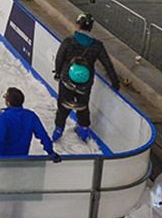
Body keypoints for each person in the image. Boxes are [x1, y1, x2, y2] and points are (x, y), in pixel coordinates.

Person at [52, 14, 121, 142]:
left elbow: (59, 58)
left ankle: (58, 129)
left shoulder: (69, 41)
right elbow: (107, 64)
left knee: (63, 105)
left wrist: (58, 72)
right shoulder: (97, 45)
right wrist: (115, 82)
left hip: (67, 79)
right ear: (91, 28)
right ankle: (83, 130)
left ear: (78, 25)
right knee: (83, 105)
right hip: (85, 82)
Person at [0, 88, 60, 164]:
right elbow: (43, 136)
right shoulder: (30, 116)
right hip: (21, 160)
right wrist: (51, 152)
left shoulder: (4, 117)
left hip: (3, 160)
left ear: (8, 102)